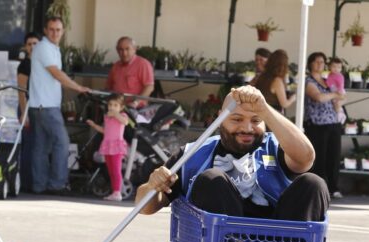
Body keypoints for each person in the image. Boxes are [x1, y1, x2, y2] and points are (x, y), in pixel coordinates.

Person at [136, 85, 329, 223]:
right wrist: (153, 186)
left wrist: (265, 110)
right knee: (212, 179)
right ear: (220, 117)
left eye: (256, 120)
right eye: (236, 119)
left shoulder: (276, 146)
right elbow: (144, 207)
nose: (247, 128)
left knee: (313, 183)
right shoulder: (193, 154)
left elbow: (306, 159)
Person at [28, 16, 91, 195]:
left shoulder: (51, 48)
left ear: (63, 31)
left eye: (58, 30)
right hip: (46, 106)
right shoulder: (44, 48)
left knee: (41, 147)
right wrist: (79, 87)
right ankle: (56, 184)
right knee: (62, 143)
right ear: (46, 31)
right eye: (52, 29)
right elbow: (56, 74)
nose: (55, 33)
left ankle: (39, 186)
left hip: (40, 105)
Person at [304, 52, 345, 199]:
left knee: (333, 156)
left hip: (333, 122)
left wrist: (338, 98)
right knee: (320, 157)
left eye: (322, 62)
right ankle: (319, 188)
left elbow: (340, 95)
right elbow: (318, 97)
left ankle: (333, 187)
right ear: (310, 64)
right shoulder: (308, 81)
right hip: (317, 125)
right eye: (316, 62)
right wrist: (335, 95)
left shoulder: (328, 80)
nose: (320, 64)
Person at [85, 93, 129, 201]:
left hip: (116, 146)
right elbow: (105, 131)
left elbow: (125, 122)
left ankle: (118, 192)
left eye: (115, 105)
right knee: (111, 170)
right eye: (110, 105)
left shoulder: (122, 116)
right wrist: (94, 125)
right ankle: (114, 191)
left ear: (121, 107)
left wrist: (115, 114)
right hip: (108, 145)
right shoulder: (107, 117)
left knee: (116, 170)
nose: (112, 107)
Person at [16, 31, 39, 192]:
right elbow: (21, 91)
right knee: (29, 146)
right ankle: (25, 183)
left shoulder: (42, 63)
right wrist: (24, 114)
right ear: (25, 46)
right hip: (27, 108)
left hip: (39, 107)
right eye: (29, 44)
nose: (32, 47)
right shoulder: (24, 65)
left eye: (35, 43)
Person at [106, 36, 154, 107]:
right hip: (117, 108)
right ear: (117, 50)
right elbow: (108, 87)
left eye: (127, 49)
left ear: (134, 49)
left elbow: (149, 87)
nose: (124, 53)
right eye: (121, 50)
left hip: (135, 109)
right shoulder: (116, 66)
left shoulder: (143, 64)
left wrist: (136, 102)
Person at [252, 49, 295, 115]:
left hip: (259, 113)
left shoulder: (261, 76)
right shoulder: (277, 81)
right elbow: (284, 104)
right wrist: (294, 97)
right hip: (272, 115)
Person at [326, 57, 347, 124]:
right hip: (333, 91)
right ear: (329, 67)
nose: (336, 69)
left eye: (339, 67)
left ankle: (341, 116)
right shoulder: (330, 74)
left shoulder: (339, 76)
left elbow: (341, 85)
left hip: (338, 91)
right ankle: (338, 115)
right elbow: (328, 83)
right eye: (334, 67)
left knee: (337, 104)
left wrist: (340, 93)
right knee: (334, 104)